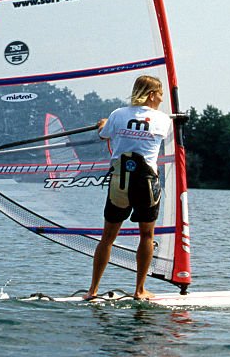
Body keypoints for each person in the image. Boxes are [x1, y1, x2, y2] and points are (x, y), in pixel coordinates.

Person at [85, 75, 173, 301]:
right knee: (146, 235)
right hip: (146, 183)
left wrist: (104, 125)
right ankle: (139, 290)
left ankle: (92, 291)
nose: (162, 99)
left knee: (107, 238)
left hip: (120, 182)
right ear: (152, 94)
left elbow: (103, 134)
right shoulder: (164, 120)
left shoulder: (117, 114)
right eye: (160, 94)